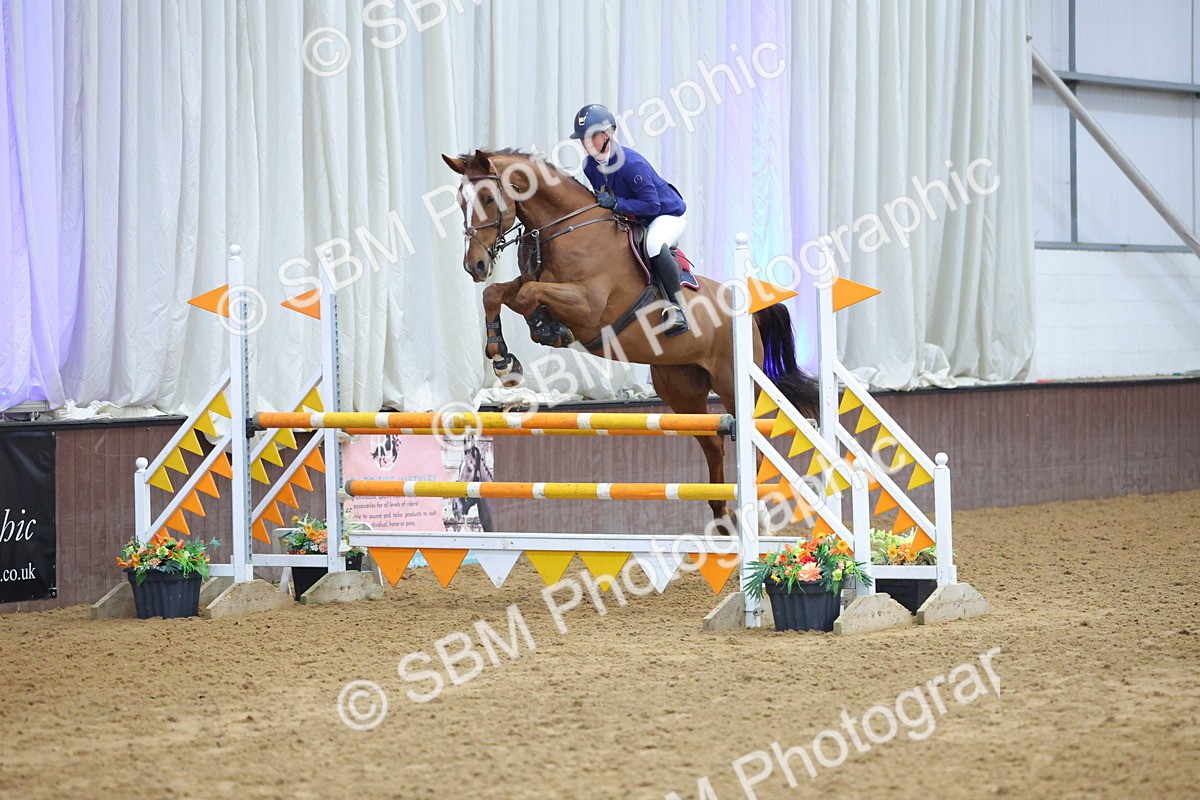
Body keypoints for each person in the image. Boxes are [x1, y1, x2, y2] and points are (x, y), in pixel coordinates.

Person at [571, 103, 690, 336]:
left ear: (608, 134)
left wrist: (616, 204)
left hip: (666, 215)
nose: (586, 144)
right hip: (634, 216)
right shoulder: (589, 166)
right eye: (582, 139)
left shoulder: (631, 164)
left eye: (591, 137)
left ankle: (677, 308)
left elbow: (652, 204)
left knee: (654, 244)